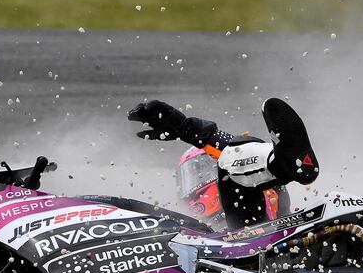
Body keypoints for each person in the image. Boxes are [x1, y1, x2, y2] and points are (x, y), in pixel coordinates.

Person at [128, 97, 319, 229]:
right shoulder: (182, 226)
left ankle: (283, 162)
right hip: (215, 257)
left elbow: (230, 150)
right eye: (193, 173)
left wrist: (186, 128)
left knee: (233, 157)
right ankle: (280, 162)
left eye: (203, 169)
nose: (199, 181)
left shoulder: (232, 173)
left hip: (266, 233)